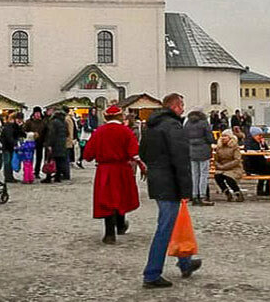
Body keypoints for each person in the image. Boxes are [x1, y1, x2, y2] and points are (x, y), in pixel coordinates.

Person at [138, 93, 202, 288]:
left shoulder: (151, 126)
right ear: (175, 106)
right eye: (181, 105)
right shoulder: (173, 127)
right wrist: (186, 189)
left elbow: (143, 152)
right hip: (170, 182)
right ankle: (152, 273)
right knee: (165, 228)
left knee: (174, 223)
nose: (183, 109)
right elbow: (180, 159)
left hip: (158, 180)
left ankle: (185, 262)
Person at [82, 105, 143, 244]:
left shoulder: (99, 132)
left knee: (106, 199)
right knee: (120, 197)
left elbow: (88, 155)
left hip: (105, 169)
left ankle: (109, 233)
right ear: (120, 116)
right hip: (122, 168)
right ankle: (120, 225)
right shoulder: (126, 131)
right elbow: (134, 152)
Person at [184, 109, 215, 206]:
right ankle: (202, 195)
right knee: (204, 174)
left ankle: (194, 195)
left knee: (194, 174)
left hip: (191, 150)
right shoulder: (204, 123)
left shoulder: (187, 123)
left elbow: (183, 136)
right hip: (203, 150)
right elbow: (210, 137)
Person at [212, 130, 245, 202]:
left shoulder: (235, 147)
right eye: (222, 136)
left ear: (230, 137)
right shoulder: (219, 147)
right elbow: (216, 159)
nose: (223, 138)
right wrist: (218, 165)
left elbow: (237, 160)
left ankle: (237, 193)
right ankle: (227, 193)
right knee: (217, 176)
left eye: (225, 136)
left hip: (234, 168)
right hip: (221, 167)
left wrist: (225, 166)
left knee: (229, 177)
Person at [243, 127, 270, 197]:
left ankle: (266, 190)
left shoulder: (260, 142)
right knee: (269, 171)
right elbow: (250, 153)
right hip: (252, 164)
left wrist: (263, 144)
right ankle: (263, 190)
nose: (260, 137)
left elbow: (266, 150)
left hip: (259, 163)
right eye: (259, 135)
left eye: (261, 135)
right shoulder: (249, 142)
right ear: (253, 135)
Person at [43, 108, 69, 184]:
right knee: (59, 162)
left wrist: (49, 144)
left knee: (49, 160)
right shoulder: (64, 122)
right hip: (62, 145)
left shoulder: (54, 122)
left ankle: (48, 177)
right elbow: (67, 133)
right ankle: (57, 177)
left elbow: (51, 134)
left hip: (54, 145)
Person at [0, 112, 23, 183]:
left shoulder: (14, 126)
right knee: (7, 162)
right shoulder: (9, 126)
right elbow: (9, 137)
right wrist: (15, 144)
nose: (20, 121)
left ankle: (10, 176)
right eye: (19, 119)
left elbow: (19, 134)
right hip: (6, 147)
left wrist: (20, 127)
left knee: (10, 162)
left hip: (10, 147)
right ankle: (8, 177)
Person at [23, 107, 46, 177]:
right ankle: (29, 171)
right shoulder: (29, 122)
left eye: (38, 113)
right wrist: (31, 134)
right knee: (30, 157)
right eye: (36, 113)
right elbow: (25, 130)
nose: (37, 115)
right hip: (31, 142)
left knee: (39, 157)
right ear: (33, 113)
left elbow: (45, 131)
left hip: (40, 142)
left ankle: (37, 171)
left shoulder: (43, 122)